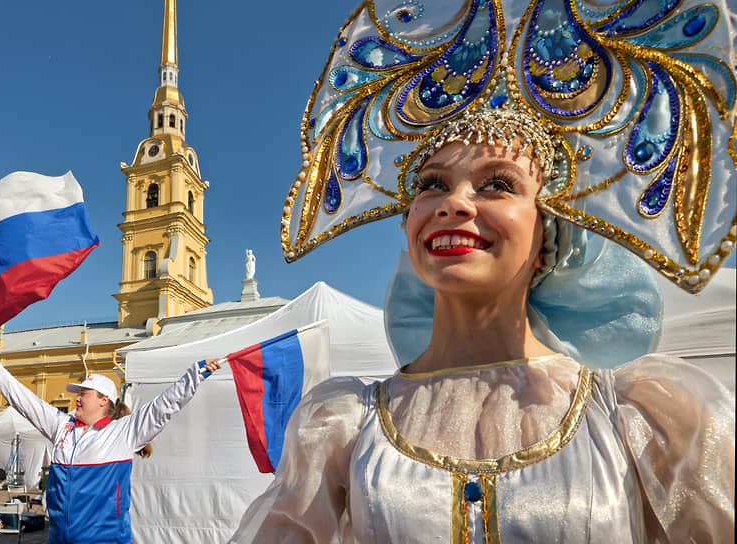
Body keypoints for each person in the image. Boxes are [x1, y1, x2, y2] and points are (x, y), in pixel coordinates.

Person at [231, 0, 736, 541]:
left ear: (551, 233)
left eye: (498, 184)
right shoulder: (342, 424)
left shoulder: (642, 414)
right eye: (431, 185)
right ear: (408, 226)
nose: (454, 204)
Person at [0, 345, 220, 544]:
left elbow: (164, 406)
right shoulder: (61, 426)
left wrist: (196, 375)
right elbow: (24, 400)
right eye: (78, 393)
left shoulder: (124, 432)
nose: (77, 399)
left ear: (103, 400)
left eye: (84, 394)